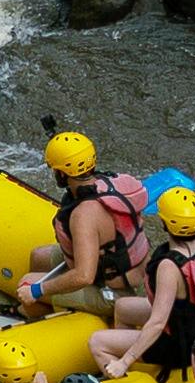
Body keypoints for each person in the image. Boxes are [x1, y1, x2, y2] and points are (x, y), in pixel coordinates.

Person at [90, 183, 195, 381]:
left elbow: (157, 323)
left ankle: (123, 377)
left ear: (165, 223)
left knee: (97, 342)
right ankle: (138, 364)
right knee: (123, 307)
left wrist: (125, 360)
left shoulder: (169, 267)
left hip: (180, 345)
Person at [18, 130, 148, 319]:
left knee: (27, 284)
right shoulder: (106, 182)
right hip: (116, 265)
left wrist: (37, 291)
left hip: (112, 292)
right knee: (38, 256)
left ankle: (38, 321)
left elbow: (84, 276)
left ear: (62, 174)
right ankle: (40, 307)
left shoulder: (83, 216)